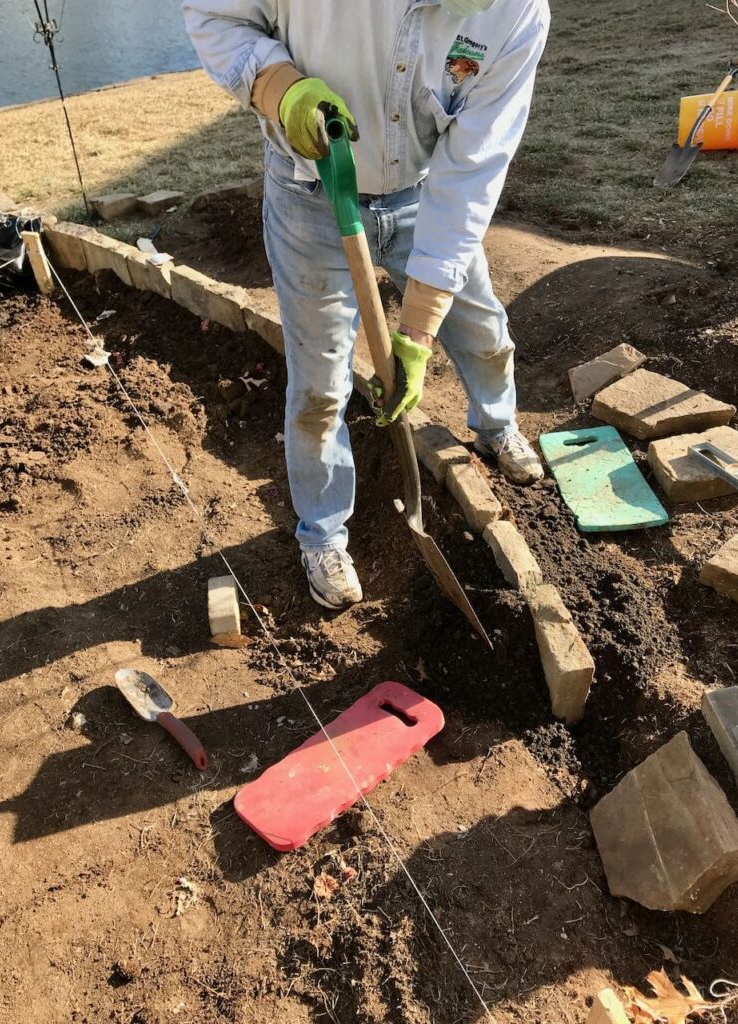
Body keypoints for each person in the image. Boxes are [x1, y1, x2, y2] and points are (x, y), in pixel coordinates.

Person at [183, 0, 550, 610]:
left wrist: (420, 327)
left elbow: (471, 175)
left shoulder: (515, 14)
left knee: (481, 329)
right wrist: (279, 88)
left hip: (426, 194)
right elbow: (216, 17)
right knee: (321, 384)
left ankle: (495, 424)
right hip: (310, 198)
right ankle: (322, 534)